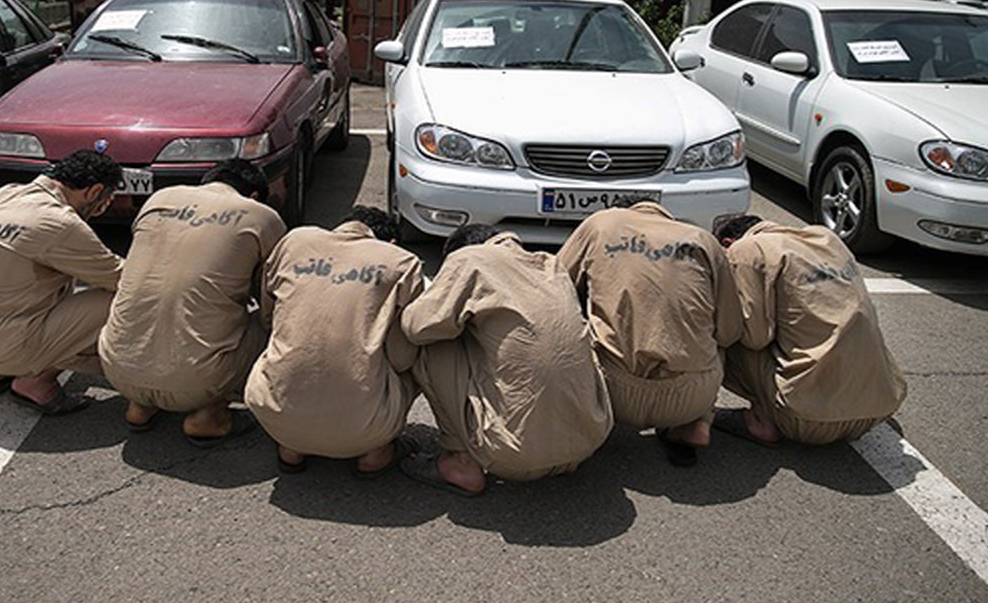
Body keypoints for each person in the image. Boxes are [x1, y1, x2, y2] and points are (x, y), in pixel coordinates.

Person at [399, 224, 613, 496]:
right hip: (588, 441)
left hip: (515, 457)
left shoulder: (469, 259)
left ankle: (460, 462)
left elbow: (416, 327)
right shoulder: (550, 265)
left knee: (432, 343)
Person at [99, 160, 285, 446]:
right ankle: (209, 414)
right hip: (198, 382)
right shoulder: (261, 216)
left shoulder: (159, 199)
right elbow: (270, 292)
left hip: (116, 369)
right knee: (271, 324)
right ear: (254, 195)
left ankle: (141, 405)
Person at [557, 197, 741, 467]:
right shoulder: (702, 240)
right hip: (690, 396)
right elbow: (730, 331)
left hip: (610, 392)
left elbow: (557, 286)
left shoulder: (602, 223)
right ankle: (695, 424)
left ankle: (586, 424)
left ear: (622, 209)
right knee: (716, 338)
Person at [244, 206, 424, 476]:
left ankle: (292, 446)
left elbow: (269, 316)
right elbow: (403, 355)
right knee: (424, 355)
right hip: (366, 427)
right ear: (391, 242)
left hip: (273, 414)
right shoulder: (402, 262)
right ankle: (376, 451)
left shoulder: (295, 241)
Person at [0, 150, 124, 415]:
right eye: (107, 199)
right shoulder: (60, 222)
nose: (104, 206)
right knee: (117, 298)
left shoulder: (7, 194)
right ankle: (36, 381)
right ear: (94, 190)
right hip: (2, 347)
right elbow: (121, 278)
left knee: (52, 283)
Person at [712, 215, 907, 446]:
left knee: (725, 330)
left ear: (726, 243)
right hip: (881, 407)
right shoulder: (826, 238)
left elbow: (755, 338)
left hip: (806, 419)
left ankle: (761, 418)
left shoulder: (745, 250)